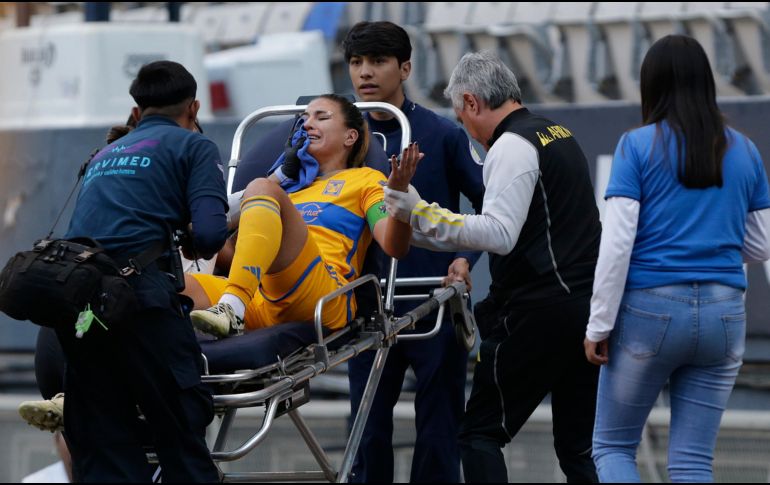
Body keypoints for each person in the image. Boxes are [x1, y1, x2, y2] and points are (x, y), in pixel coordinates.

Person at [385, 51, 601, 482]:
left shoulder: (512, 145)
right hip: (584, 308)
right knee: (577, 448)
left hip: (538, 312)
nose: (466, 130)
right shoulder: (556, 132)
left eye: (461, 118)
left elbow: (499, 233)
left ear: (470, 103)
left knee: (479, 433)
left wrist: (417, 211)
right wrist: (414, 221)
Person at [584, 35, 770, 482]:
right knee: (691, 462)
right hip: (726, 314)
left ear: (653, 85)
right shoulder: (744, 149)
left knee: (612, 447)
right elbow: (762, 244)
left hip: (651, 311)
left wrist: (599, 324)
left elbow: (617, 245)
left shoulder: (637, 144)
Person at [53, 60, 227, 482]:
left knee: (102, 444)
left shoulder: (105, 153)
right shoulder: (194, 147)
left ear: (137, 111)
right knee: (181, 435)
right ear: (194, 108)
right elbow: (209, 235)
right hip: (140, 301)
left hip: (78, 307)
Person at [341, 21, 485, 483]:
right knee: (366, 433)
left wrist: (465, 260)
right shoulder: (339, 138)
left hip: (434, 303)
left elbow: (489, 209)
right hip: (364, 304)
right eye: (357, 63)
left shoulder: (441, 133)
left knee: (440, 430)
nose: (365, 73)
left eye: (378, 62)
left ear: (404, 68)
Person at [185, 94, 414, 338]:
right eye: (304, 119)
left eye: (321, 117)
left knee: (261, 187)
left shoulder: (366, 179)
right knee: (168, 289)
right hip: (263, 298)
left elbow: (394, 246)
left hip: (323, 297)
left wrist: (400, 197)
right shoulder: (289, 187)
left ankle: (232, 307)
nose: (306, 124)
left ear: (350, 136)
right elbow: (236, 255)